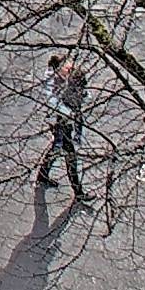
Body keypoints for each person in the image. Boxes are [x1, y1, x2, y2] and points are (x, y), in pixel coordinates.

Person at [37, 55, 87, 198]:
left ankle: (42, 175)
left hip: (64, 121)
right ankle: (78, 192)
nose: (69, 68)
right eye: (66, 67)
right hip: (60, 121)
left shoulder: (65, 79)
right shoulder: (52, 83)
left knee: (56, 148)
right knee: (70, 155)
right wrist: (69, 112)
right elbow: (53, 102)